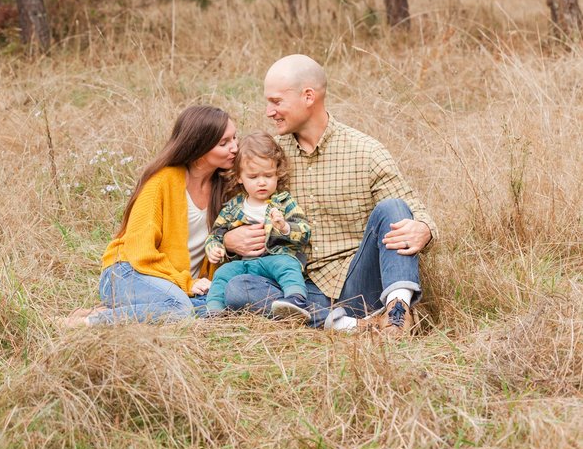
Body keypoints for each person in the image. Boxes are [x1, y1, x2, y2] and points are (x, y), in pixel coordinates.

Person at [221, 55, 437, 336]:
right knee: (237, 289)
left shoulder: (366, 151)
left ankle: (397, 314)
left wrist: (424, 229)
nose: (268, 112)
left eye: (276, 102)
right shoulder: (270, 156)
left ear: (308, 96)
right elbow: (236, 206)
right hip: (297, 289)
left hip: (360, 283)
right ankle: (350, 325)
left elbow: (417, 214)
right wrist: (229, 240)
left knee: (394, 208)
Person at [62, 105, 238, 327]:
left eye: (234, 138)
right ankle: (86, 323)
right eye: (224, 143)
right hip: (129, 271)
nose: (234, 148)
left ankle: (120, 310)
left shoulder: (225, 187)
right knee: (180, 310)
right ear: (199, 147)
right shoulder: (161, 181)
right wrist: (185, 282)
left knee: (217, 309)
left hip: (176, 285)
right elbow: (139, 251)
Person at [204, 133, 312, 321]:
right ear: (239, 177)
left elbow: (304, 231)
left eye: (268, 175)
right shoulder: (233, 206)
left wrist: (285, 227)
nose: (261, 182)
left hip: (275, 258)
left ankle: (295, 300)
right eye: (253, 177)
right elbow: (216, 233)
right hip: (244, 264)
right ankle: (214, 310)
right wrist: (214, 247)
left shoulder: (284, 202)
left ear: (277, 173)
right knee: (222, 273)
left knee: (288, 265)